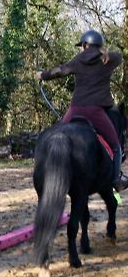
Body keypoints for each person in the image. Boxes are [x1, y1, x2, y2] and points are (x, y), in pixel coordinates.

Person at [35, 29, 128, 192]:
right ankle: (116, 180)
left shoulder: (78, 60)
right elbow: (119, 57)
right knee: (115, 146)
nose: (80, 49)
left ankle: (47, 174)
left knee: (57, 137)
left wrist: (42, 75)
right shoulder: (108, 60)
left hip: (75, 109)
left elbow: (59, 71)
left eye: (81, 45)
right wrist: (105, 54)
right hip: (96, 111)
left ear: (85, 45)